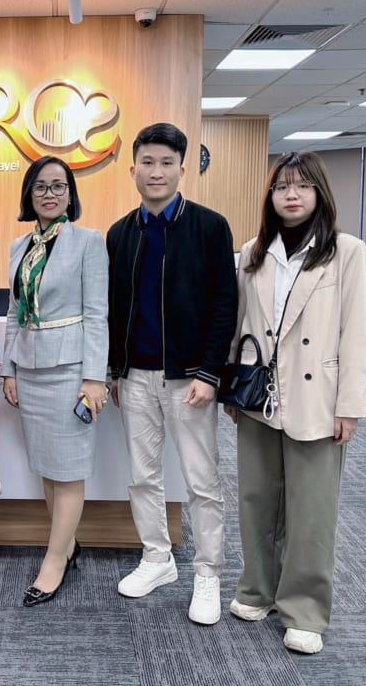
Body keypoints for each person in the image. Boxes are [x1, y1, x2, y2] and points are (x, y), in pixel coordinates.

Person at [223, 151, 366, 655]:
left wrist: (349, 405)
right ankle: (257, 589)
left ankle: (304, 609)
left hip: (318, 396)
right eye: (282, 186)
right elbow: (240, 324)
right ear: (270, 195)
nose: (292, 195)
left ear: (319, 193)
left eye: (303, 186)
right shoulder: (253, 252)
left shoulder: (346, 251)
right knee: (256, 499)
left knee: (311, 508)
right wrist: (232, 387)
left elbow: (355, 334)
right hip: (259, 394)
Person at [106, 122, 237, 625]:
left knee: (202, 481)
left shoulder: (209, 227)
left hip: (190, 379)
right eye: (148, 162)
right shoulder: (120, 233)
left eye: (166, 163)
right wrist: (115, 370)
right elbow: (114, 309)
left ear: (183, 169)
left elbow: (224, 306)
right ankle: (157, 557)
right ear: (133, 169)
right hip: (134, 376)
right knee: (142, 477)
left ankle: (208, 573)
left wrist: (210, 372)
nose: (156, 171)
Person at [2, 156, 109, 607]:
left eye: (58, 186)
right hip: (29, 369)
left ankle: (54, 560)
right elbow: (14, 312)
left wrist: (94, 378)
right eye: (40, 186)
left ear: (70, 194)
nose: (49, 194)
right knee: (48, 466)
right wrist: (9, 368)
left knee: (68, 471)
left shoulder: (88, 242)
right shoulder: (19, 246)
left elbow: (98, 314)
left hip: (69, 371)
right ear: (29, 194)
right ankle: (67, 544)